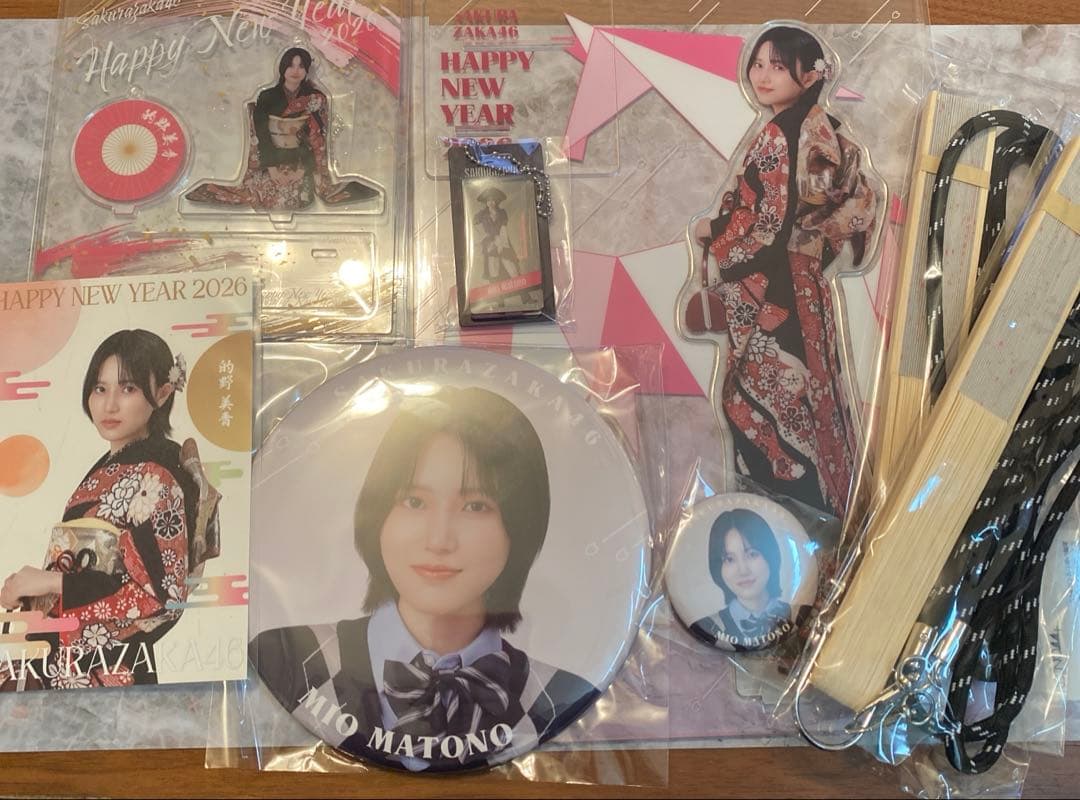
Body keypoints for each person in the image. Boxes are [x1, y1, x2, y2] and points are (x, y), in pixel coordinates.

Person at [251, 386, 597, 771]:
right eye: (414, 502)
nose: (439, 539)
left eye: (475, 506)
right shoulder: (288, 658)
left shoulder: (559, 698)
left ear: (520, 527)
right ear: (378, 516)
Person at [684, 26, 877, 518]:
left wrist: (714, 229)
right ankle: (832, 509)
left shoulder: (778, 133)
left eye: (777, 66)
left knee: (755, 398)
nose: (762, 76)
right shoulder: (822, 127)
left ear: (810, 76)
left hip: (773, 289)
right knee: (814, 393)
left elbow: (768, 220)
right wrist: (813, 249)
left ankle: (779, 518)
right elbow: (834, 206)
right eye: (758, 64)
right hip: (805, 285)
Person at [0, 330, 203, 688]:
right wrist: (30, 590)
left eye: (128, 388)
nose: (109, 405)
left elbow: (161, 596)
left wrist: (51, 581)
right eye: (99, 388)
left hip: (106, 673)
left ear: (162, 393)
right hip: (68, 662)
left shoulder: (155, 477)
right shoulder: (113, 468)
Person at [185, 47, 380, 212]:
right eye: (291, 65)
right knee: (260, 191)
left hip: (302, 159)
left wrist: (302, 169)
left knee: (307, 193)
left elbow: (317, 137)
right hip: (269, 158)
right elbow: (259, 134)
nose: (296, 71)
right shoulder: (267, 96)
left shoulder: (315, 98)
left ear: (307, 70)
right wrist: (272, 167)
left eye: (301, 66)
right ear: (282, 68)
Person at [690, 508, 805, 651]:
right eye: (729, 559)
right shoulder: (707, 627)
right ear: (718, 568)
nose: (743, 570)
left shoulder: (801, 614)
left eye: (752, 554)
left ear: (770, 556)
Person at [473, 187, 520, 281]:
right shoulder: (482, 214)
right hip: (489, 241)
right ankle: (495, 284)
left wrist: (501, 243)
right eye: (488, 200)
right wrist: (484, 237)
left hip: (502, 239)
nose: (491, 202)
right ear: (486, 202)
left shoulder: (502, 213)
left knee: (508, 260)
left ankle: (516, 282)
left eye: (493, 200)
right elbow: (475, 225)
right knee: (493, 263)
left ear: (496, 202)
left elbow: (503, 228)